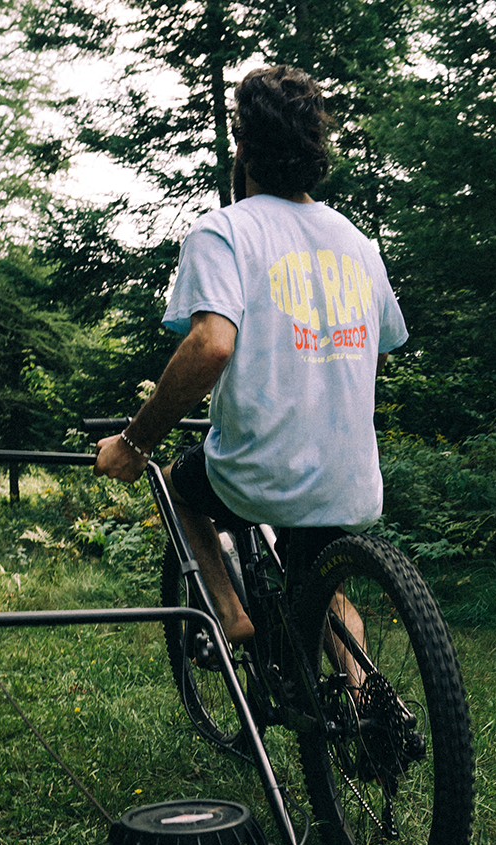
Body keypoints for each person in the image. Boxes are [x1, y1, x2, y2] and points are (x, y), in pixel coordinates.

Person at [94, 64, 408, 649]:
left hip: (260, 478)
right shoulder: (358, 244)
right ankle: (371, 711)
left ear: (243, 146)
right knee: (325, 587)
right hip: (349, 479)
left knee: (180, 486)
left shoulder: (224, 232)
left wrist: (134, 443)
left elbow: (212, 344)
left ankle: (231, 614)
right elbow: (377, 352)